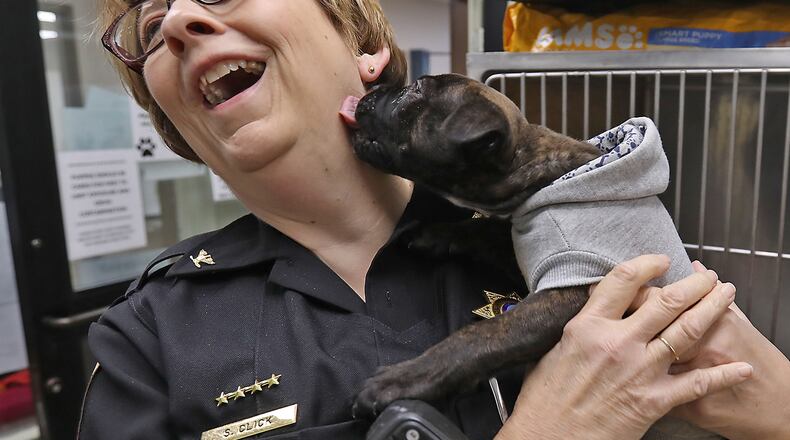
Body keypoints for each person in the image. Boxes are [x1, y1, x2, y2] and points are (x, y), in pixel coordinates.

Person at [81, 0, 790, 438]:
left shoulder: (531, 229)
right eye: (146, 29)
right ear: (171, 125)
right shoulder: (148, 339)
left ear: (365, 46)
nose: (175, 19)